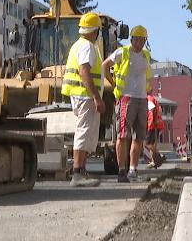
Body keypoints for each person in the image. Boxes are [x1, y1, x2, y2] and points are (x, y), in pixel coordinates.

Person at [61, 12, 106, 188]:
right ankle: (78, 173)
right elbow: (84, 72)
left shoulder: (77, 45)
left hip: (82, 95)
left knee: (86, 132)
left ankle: (82, 172)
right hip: (85, 96)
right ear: (95, 31)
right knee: (83, 131)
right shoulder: (87, 47)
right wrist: (96, 97)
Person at [103, 25, 151, 183]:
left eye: (142, 40)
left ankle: (132, 171)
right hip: (126, 99)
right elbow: (105, 66)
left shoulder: (146, 55)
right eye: (137, 40)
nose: (139, 43)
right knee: (123, 136)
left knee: (138, 137)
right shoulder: (122, 52)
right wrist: (114, 85)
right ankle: (122, 171)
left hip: (142, 99)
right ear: (132, 40)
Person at [145, 95, 166, 167]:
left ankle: (159, 155)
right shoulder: (153, 99)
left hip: (152, 125)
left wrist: (154, 120)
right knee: (152, 144)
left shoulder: (148, 98)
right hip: (156, 124)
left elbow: (152, 108)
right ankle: (153, 161)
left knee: (148, 144)